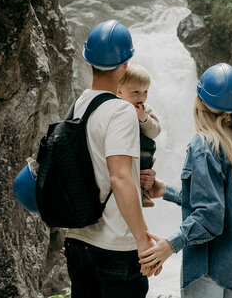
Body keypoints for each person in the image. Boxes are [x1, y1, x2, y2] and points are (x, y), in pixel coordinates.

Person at [141, 63, 232, 298]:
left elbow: (210, 215)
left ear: (201, 102)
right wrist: (166, 191)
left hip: (207, 270)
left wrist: (170, 245)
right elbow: (221, 203)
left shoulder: (203, 146)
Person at [64, 19, 161, 298]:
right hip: (115, 246)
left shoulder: (78, 106)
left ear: (89, 61)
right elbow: (119, 177)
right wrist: (143, 241)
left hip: (79, 241)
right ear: (125, 64)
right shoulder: (121, 111)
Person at [117, 63, 161, 208]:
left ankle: (142, 193)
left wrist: (143, 118)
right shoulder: (115, 107)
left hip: (141, 151)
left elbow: (155, 132)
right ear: (120, 91)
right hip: (123, 153)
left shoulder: (146, 110)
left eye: (145, 92)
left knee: (145, 161)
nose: (141, 97)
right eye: (136, 92)